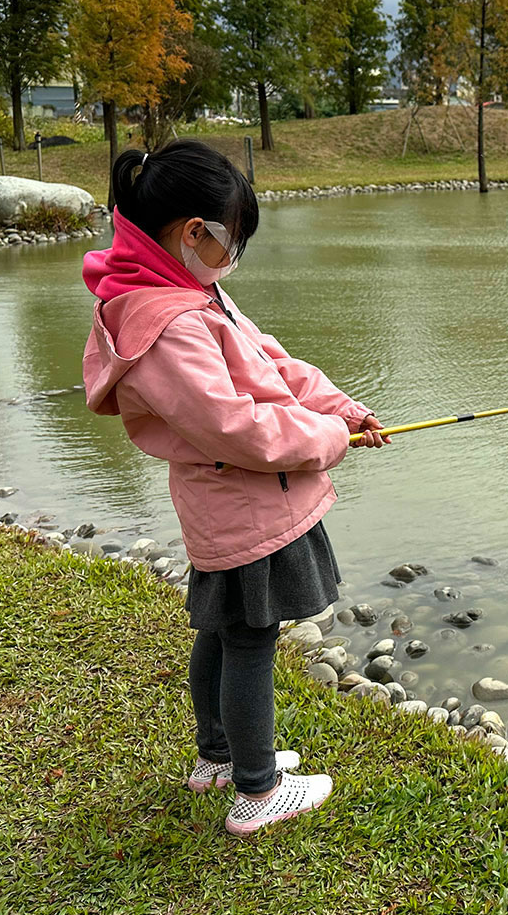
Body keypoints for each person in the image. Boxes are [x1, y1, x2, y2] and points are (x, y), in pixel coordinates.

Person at [80, 139, 390, 836]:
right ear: (195, 232)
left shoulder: (186, 289)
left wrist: (341, 408)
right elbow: (234, 427)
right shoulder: (169, 323)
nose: (235, 256)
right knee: (251, 638)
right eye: (232, 241)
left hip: (236, 502)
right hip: (244, 504)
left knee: (224, 631)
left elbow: (270, 359)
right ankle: (257, 791)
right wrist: (327, 443)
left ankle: (218, 757)